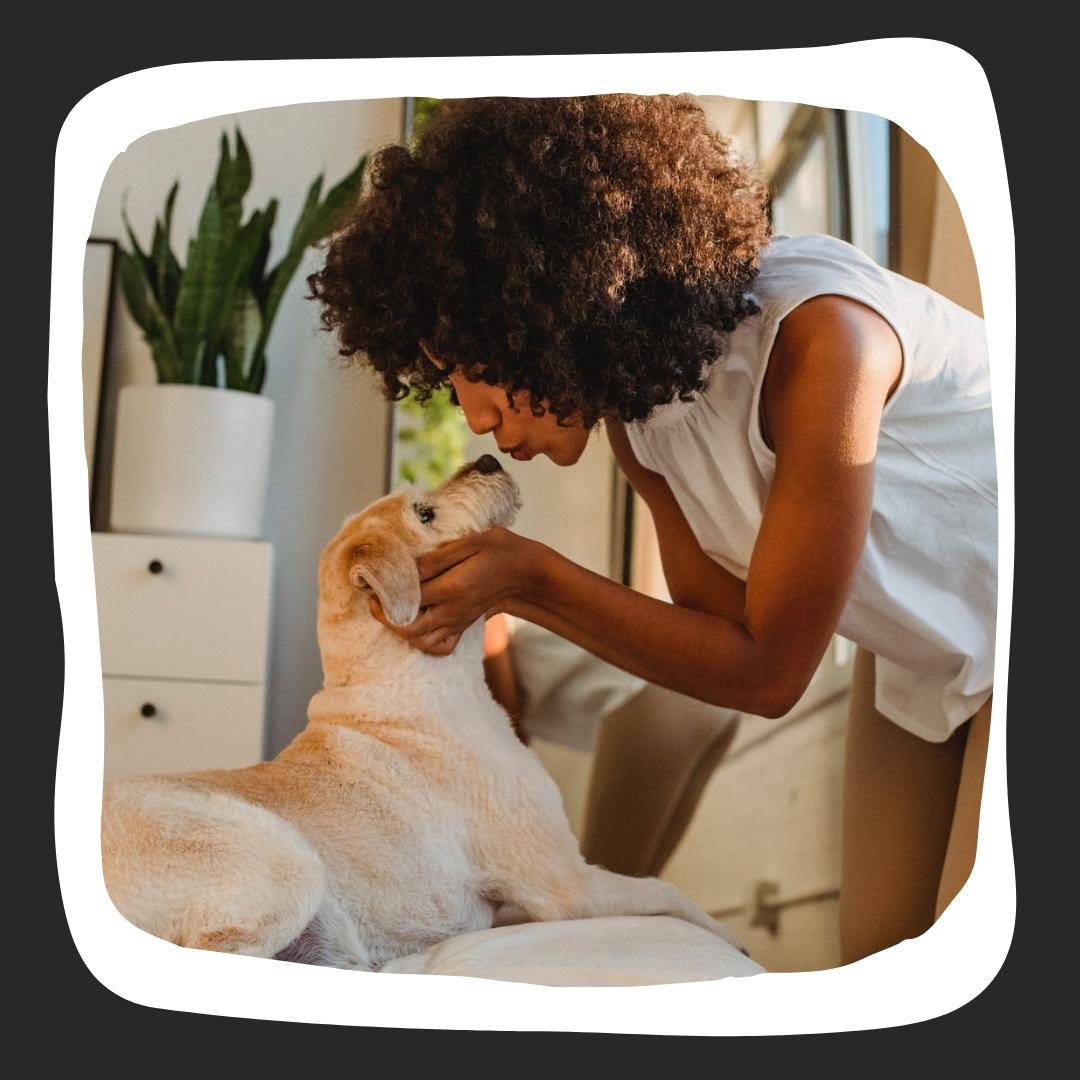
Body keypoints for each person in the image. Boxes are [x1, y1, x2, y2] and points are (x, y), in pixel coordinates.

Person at [306, 94, 996, 965]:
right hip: (921, 656)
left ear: (550, 302)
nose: (476, 419)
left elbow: (773, 673)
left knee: (965, 960)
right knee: (881, 953)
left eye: (470, 371)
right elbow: (721, 644)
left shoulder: (827, 344)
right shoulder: (641, 419)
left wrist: (528, 579)